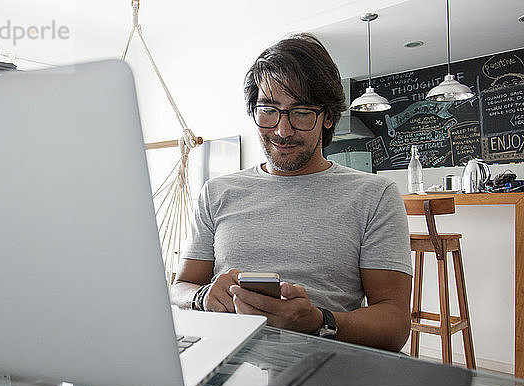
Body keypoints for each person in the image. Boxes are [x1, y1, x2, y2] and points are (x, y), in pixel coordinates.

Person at [170, 33, 412, 352]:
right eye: (269, 110)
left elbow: (394, 324)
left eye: (301, 113)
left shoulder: (375, 195)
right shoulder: (216, 192)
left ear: (327, 117)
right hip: (223, 357)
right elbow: (180, 288)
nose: (282, 131)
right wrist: (201, 296)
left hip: (323, 364)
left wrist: (318, 322)